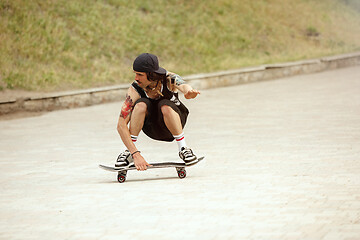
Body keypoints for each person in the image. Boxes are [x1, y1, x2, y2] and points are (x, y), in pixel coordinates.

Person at [116, 53, 201, 171]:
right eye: (135, 73)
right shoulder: (135, 89)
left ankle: (183, 149)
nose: (136, 78)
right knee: (140, 104)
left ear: (151, 75)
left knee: (164, 105)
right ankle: (127, 153)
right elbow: (121, 124)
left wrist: (189, 92)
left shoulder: (168, 78)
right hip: (152, 128)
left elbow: (183, 86)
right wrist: (135, 153)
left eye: (140, 74)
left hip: (173, 124)